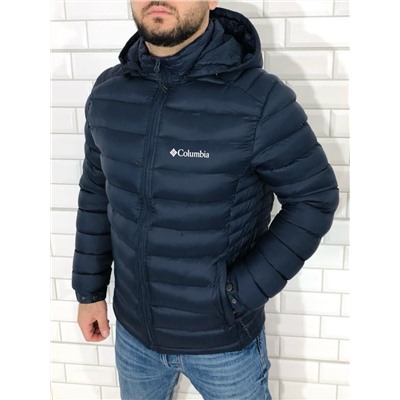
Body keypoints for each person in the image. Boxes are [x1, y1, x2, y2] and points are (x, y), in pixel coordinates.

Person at [72, 1, 339, 399]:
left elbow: (314, 199)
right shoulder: (109, 92)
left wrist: (236, 295)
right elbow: (97, 191)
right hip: (133, 336)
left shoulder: (259, 101)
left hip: (224, 347)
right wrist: (90, 292)